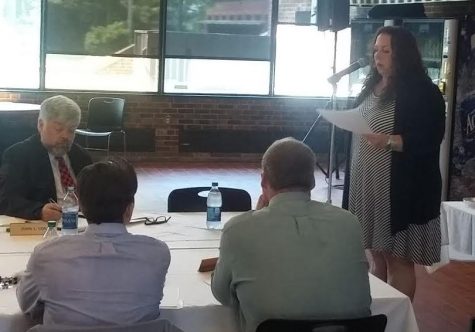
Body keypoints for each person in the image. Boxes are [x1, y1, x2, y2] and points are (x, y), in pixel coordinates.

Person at [211, 137, 371, 332]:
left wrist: (254, 218)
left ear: (263, 180)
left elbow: (222, 295)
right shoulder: (348, 222)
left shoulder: (238, 229)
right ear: (312, 181)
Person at [344, 26, 446, 300]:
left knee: (398, 259)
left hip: (400, 192)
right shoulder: (372, 85)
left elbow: (430, 137)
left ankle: (399, 322)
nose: (378, 56)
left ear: (403, 54)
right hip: (368, 185)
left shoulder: (423, 91)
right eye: (376, 50)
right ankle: (376, 315)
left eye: (386, 51)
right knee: (375, 255)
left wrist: (390, 141)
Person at [16, 159, 171, 327]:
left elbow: (27, 307)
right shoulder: (157, 253)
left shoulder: (46, 255)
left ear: (80, 206)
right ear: (129, 209)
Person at [0, 95, 92, 221]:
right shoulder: (18, 155)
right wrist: (39, 211)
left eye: (71, 130)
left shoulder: (82, 157)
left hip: (82, 224)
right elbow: (6, 200)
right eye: (58, 129)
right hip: (44, 226)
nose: (66, 136)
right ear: (41, 125)